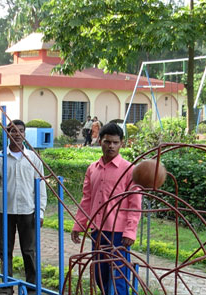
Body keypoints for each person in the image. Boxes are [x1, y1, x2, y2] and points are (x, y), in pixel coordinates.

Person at [71, 123, 141, 295]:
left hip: (119, 234)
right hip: (98, 231)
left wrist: (130, 231)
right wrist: (79, 225)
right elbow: (87, 199)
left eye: (115, 143)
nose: (111, 146)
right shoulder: (93, 169)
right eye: (107, 142)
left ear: (121, 144)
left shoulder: (129, 170)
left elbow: (135, 202)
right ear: (100, 141)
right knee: (100, 276)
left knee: (118, 278)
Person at [0, 120, 46, 295]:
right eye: (13, 131)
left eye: (21, 131)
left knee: (29, 251)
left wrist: (40, 210)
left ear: (25, 134)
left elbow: (40, 187)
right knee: (5, 250)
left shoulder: (33, 158)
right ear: (7, 133)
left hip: (28, 211)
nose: (17, 134)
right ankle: (6, 287)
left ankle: (32, 288)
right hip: (6, 211)